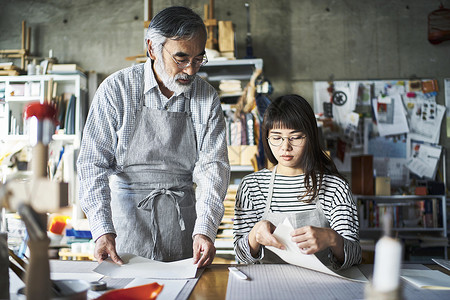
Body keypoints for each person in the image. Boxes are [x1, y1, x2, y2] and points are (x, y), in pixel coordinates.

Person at [77, 6, 230, 268]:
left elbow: (212, 167)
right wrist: (102, 230)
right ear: (152, 48)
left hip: (183, 228)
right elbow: (92, 164)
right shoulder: (117, 89)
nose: (191, 70)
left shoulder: (205, 96)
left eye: (198, 59)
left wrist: (205, 229)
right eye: (181, 58)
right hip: (125, 229)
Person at [233, 94, 361, 269]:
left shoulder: (335, 187)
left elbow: (354, 255)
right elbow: (240, 255)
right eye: (277, 138)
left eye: (295, 137)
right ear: (267, 138)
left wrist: (332, 238)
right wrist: (254, 234)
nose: (285, 147)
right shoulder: (251, 187)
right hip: (267, 288)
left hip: (321, 287)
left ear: (310, 137)